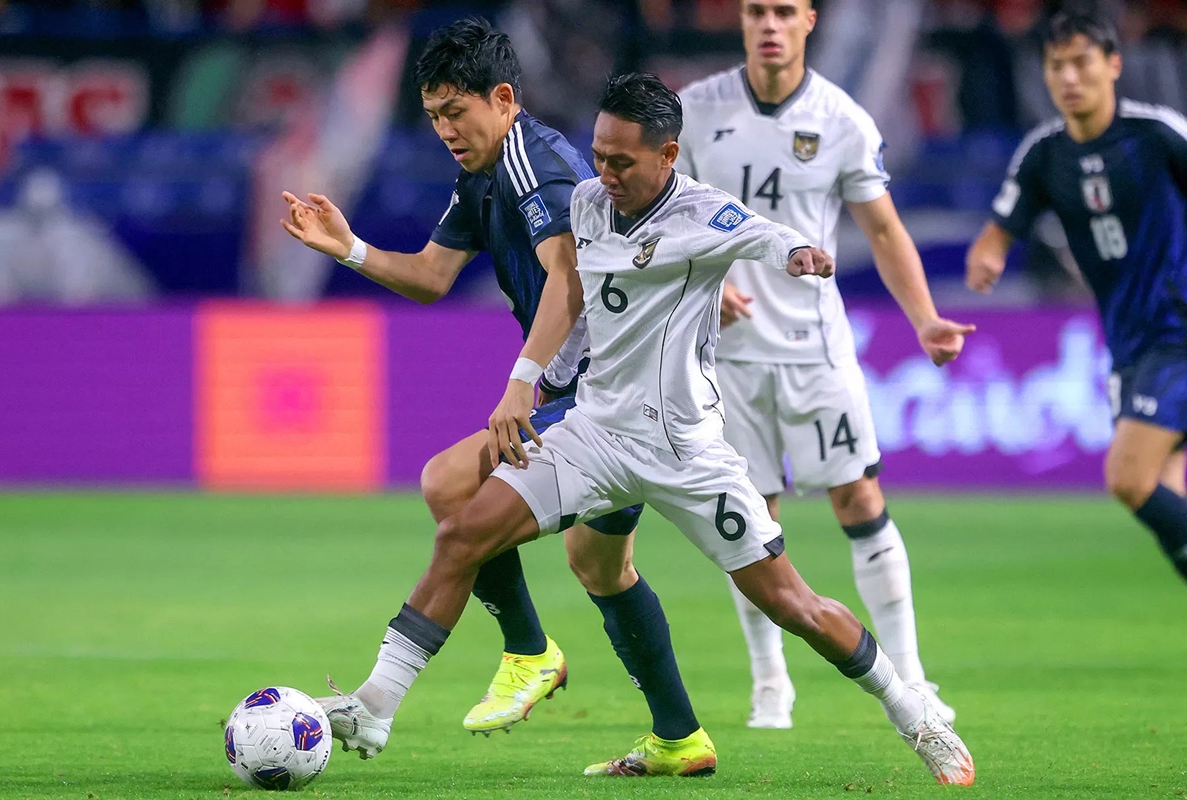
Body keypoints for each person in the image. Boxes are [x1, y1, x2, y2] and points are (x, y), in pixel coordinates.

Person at [313, 71, 976, 786]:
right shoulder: (591, 204)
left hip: (685, 450)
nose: (604, 172)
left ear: (668, 155)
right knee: (462, 531)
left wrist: (798, 255)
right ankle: (374, 706)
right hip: (596, 430)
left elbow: (766, 235)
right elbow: (573, 293)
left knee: (794, 605)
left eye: (623, 160)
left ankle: (915, 716)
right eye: (599, 153)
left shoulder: (703, 213)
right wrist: (528, 380)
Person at [281, 17, 711, 768]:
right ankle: (679, 737)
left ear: (503, 97)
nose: (446, 128)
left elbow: (568, 274)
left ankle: (511, 656)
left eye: (457, 111)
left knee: (452, 487)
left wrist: (522, 381)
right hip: (603, 389)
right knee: (601, 568)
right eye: (434, 116)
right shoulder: (482, 171)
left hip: (608, 394)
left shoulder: (531, 160)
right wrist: (346, 249)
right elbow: (431, 276)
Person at [675, 0, 973, 729]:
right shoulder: (692, 111)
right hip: (726, 358)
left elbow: (883, 227)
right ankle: (770, 681)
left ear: (809, 20)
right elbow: (660, 218)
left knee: (860, 502)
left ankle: (912, 673)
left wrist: (926, 316)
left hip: (816, 350)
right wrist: (702, 289)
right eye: (755, 11)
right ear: (740, 21)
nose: (768, 24)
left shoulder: (843, 120)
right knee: (751, 518)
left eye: (783, 11)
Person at [966, 9, 1187, 582]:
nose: (1069, 78)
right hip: (1129, 344)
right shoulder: (1043, 155)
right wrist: (987, 256)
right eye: (1056, 65)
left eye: (1082, 62)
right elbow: (998, 230)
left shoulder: (1157, 133)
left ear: (1113, 65)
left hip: (1177, 332)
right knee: (1168, 490)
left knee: (1128, 479)